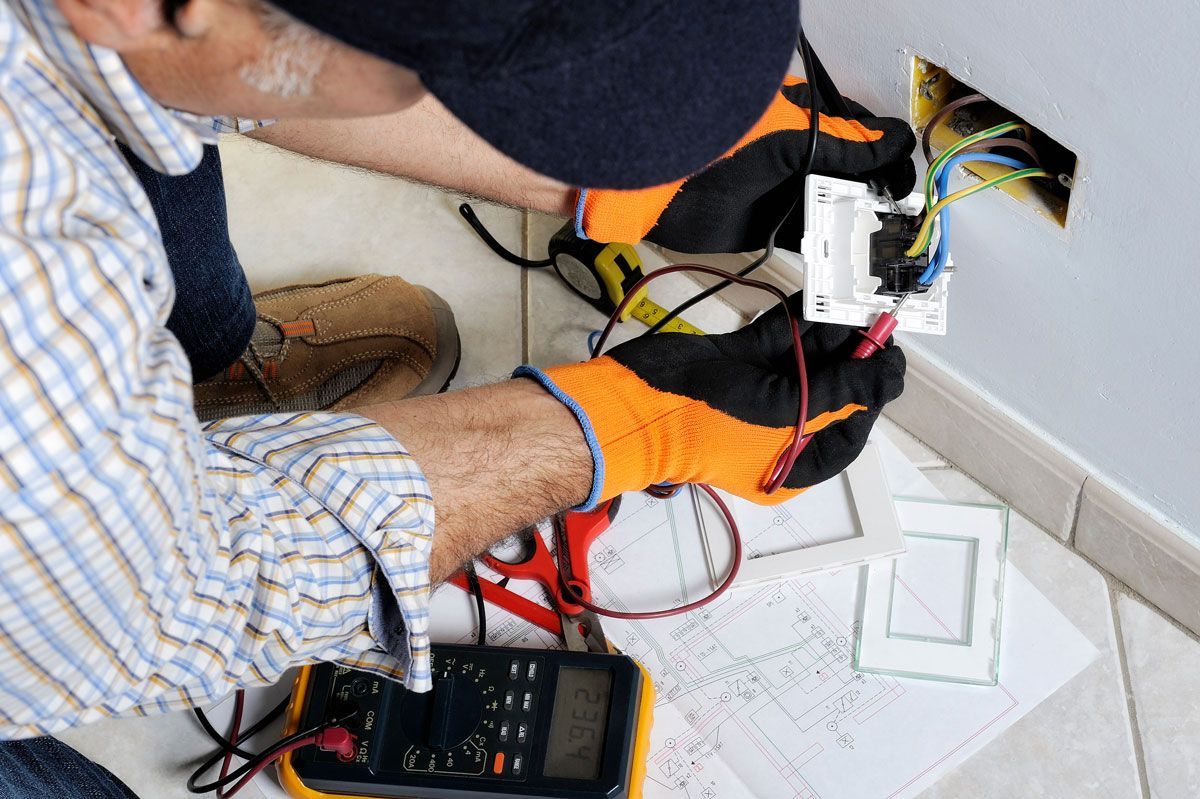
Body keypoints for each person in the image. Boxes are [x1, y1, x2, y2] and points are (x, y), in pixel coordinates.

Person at [0, 0, 916, 794]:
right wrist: (643, 424)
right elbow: (169, 598)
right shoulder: (28, 266)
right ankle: (120, 435)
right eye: (437, 71)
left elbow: (185, 55)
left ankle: (163, 377)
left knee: (186, 257)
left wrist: (634, 180)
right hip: (49, 595)